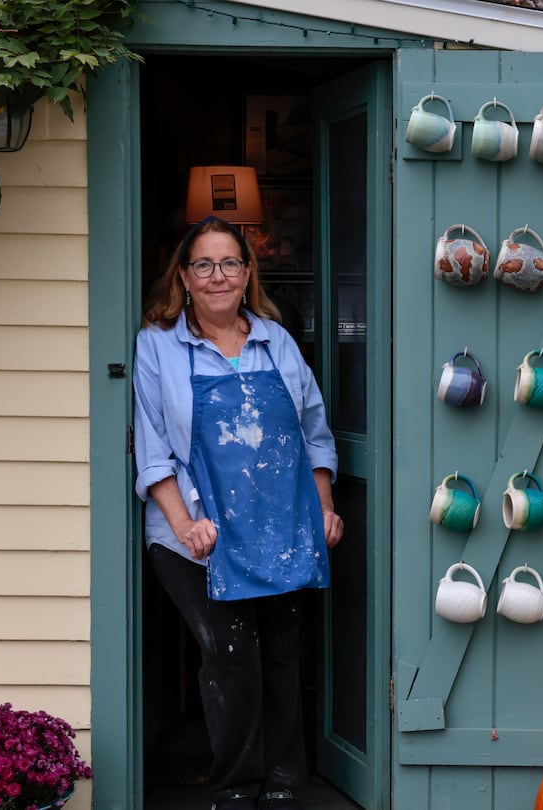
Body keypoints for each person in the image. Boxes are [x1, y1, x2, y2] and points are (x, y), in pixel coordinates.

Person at [133, 215, 344, 810]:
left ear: (247, 273)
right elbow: (152, 451)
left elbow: (314, 435)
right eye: (204, 264)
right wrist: (184, 524)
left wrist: (324, 507)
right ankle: (235, 787)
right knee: (230, 657)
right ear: (184, 276)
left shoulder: (275, 340)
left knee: (280, 653)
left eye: (229, 263)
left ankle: (282, 780)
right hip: (194, 535)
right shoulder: (158, 345)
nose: (217, 276)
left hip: (278, 528)